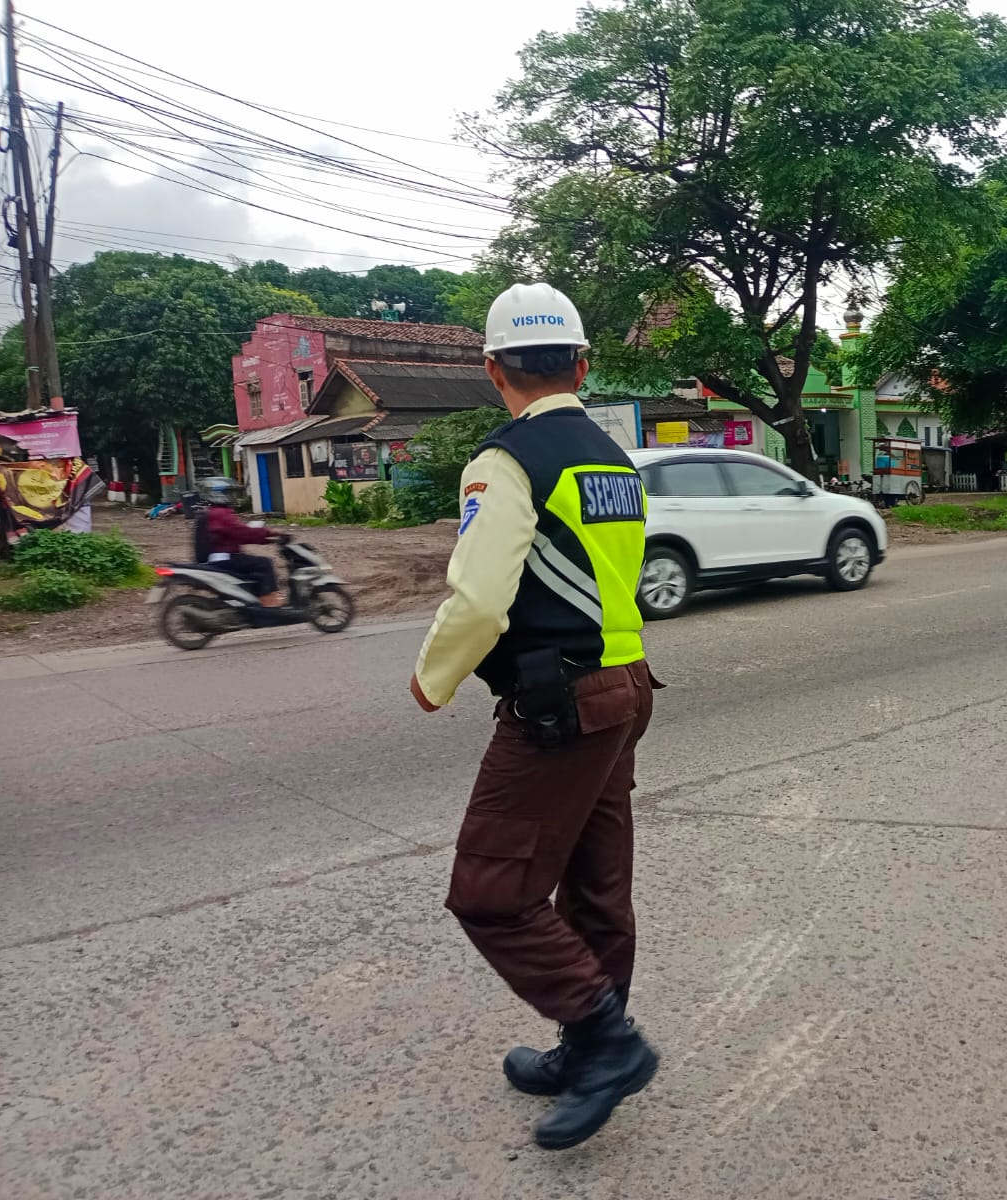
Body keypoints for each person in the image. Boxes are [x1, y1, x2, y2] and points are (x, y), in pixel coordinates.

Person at [409, 282, 659, 1151]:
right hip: (626, 686)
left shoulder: (506, 461)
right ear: (582, 366)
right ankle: (588, 1049)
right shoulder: (612, 459)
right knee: (595, 885)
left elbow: (480, 599)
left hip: (561, 702)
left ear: (493, 370)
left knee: (492, 891)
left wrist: (434, 677)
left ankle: (606, 1043)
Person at [199, 477, 283, 606]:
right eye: (229, 492)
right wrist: (269, 533)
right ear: (219, 493)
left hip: (222, 556)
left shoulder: (215, 512)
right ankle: (269, 603)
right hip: (225, 558)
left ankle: (253, 599)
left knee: (254, 567)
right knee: (264, 563)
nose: (233, 496)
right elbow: (241, 532)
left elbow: (237, 533)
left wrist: (265, 538)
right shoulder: (221, 514)